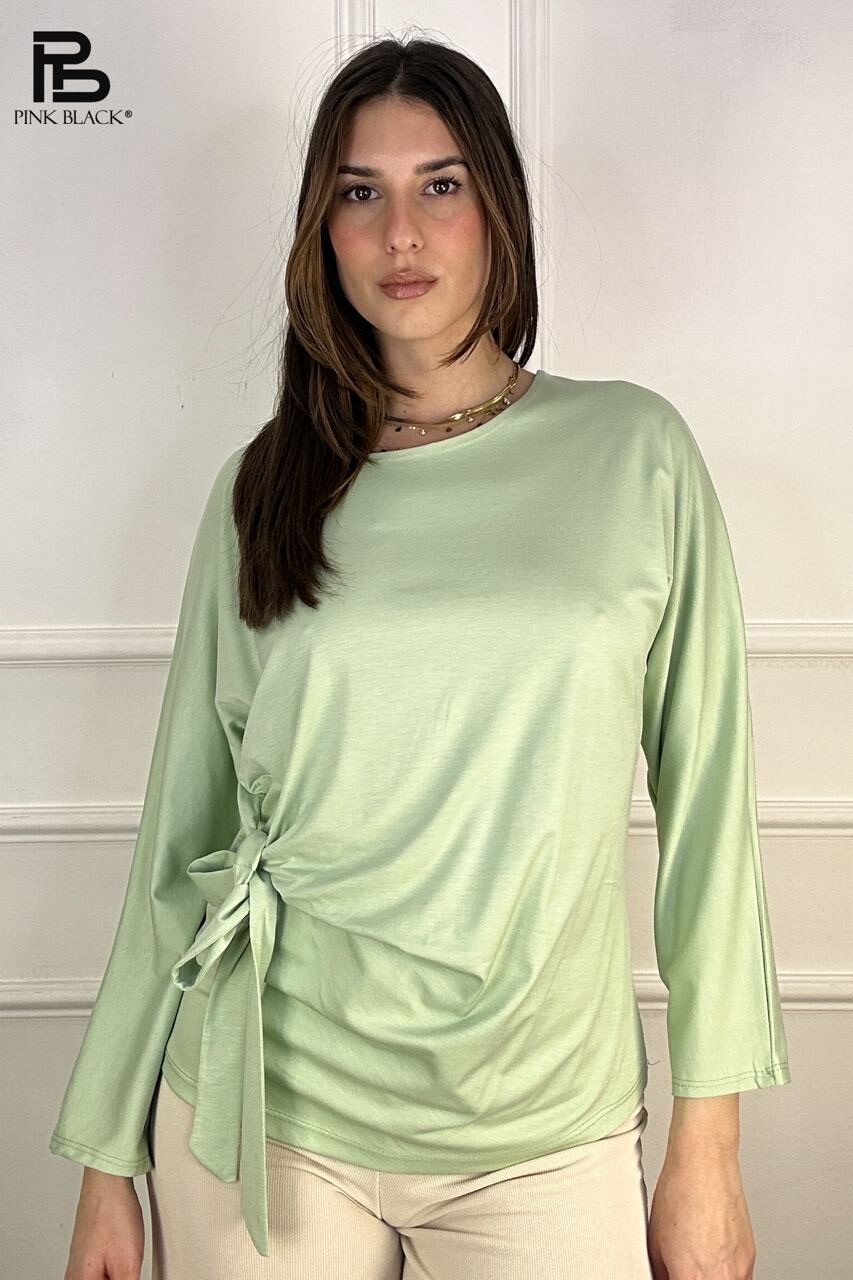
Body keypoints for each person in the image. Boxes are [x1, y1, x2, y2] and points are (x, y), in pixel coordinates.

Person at [50, 34, 791, 1280]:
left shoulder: (634, 453)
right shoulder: (263, 486)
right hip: (261, 1115)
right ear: (323, 232)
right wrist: (102, 1159)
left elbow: (709, 818)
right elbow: (183, 835)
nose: (401, 232)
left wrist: (707, 1148)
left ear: (497, 207)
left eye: (439, 184)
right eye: (361, 192)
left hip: (543, 1132)